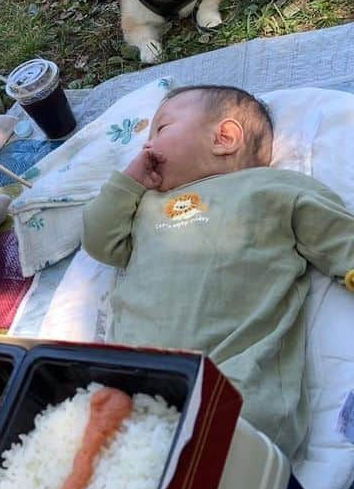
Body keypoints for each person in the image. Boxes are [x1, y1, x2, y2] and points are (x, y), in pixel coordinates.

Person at [83, 85, 354, 456]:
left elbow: (339, 239)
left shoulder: (274, 188)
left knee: (223, 459)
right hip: (139, 381)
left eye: (161, 130)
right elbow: (99, 242)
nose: (145, 149)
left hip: (236, 378)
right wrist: (126, 184)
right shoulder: (146, 206)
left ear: (224, 137)